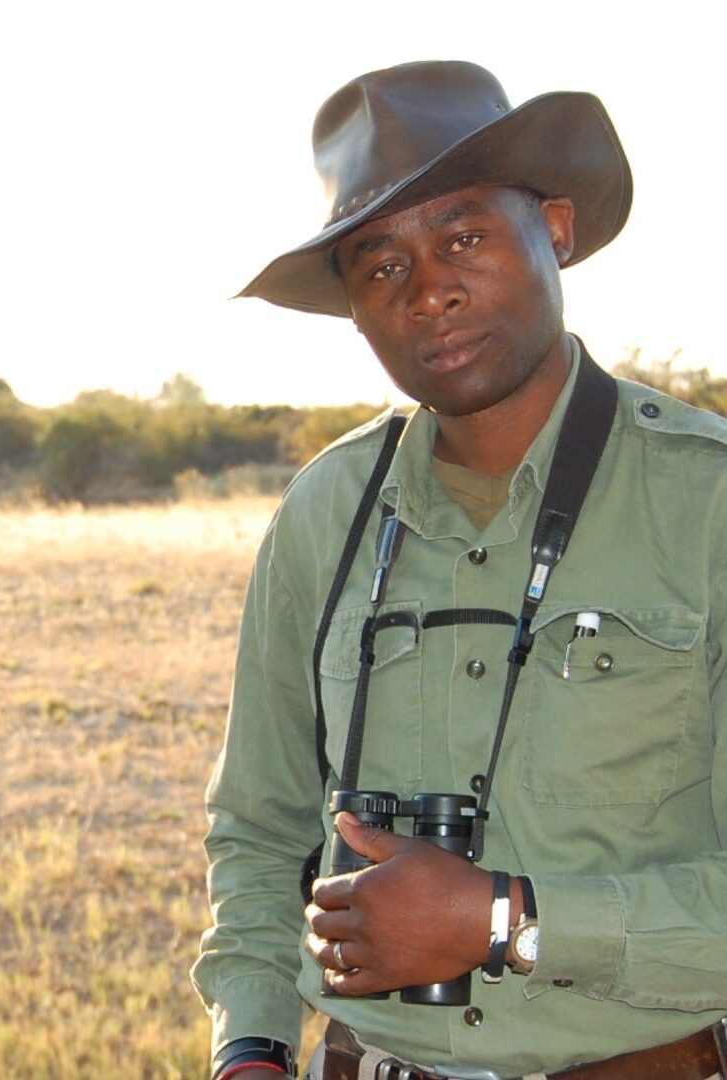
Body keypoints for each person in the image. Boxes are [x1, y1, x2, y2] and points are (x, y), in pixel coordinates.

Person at [191, 60, 727, 1080]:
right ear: (352, 309)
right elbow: (257, 829)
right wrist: (252, 1046)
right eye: (380, 267)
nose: (429, 289)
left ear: (554, 227)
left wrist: (503, 923)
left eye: (463, 236)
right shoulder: (324, 514)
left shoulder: (704, 504)